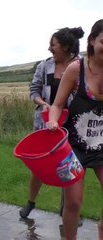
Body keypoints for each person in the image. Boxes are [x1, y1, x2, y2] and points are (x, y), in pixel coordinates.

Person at [46, 19, 103, 240]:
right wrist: (53, 121)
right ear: (92, 41)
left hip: (101, 145)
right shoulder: (76, 69)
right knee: (73, 201)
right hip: (74, 148)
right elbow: (57, 104)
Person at [21, 26, 85, 218]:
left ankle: (67, 209)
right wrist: (43, 104)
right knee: (39, 167)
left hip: (73, 126)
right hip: (46, 124)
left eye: (53, 45)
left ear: (65, 46)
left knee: (69, 167)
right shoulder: (44, 66)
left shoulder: (80, 67)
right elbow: (34, 91)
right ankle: (31, 202)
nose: (50, 49)